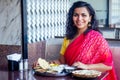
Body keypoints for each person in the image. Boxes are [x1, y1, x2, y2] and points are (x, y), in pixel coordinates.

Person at [33, 1, 117, 80]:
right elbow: (61, 62)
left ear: (90, 18)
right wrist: (44, 64)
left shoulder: (97, 39)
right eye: (76, 15)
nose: (79, 18)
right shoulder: (68, 38)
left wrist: (86, 66)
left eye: (83, 15)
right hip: (71, 77)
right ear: (72, 17)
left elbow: (108, 65)